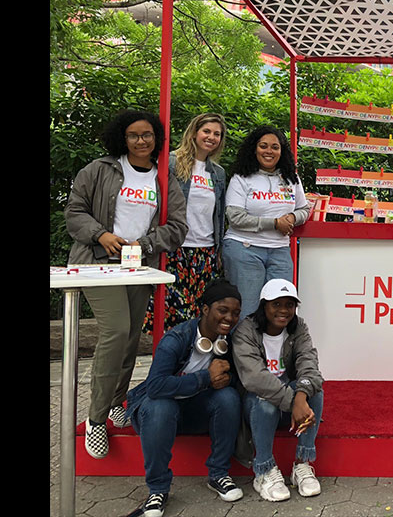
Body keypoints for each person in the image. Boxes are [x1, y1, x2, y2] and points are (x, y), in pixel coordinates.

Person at [65, 109, 188, 460]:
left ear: (157, 139)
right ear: (123, 137)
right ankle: (96, 418)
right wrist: (101, 234)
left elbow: (177, 226)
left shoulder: (164, 177)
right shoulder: (100, 169)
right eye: (134, 135)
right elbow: (74, 212)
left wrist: (147, 243)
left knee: (132, 337)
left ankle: (118, 399)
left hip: (139, 267)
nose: (140, 141)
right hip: (97, 264)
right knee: (116, 332)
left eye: (147, 135)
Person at [123, 280, 244, 517]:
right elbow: (155, 387)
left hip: (193, 411)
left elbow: (238, 380)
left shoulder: (229, 341)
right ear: (205, 309)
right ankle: (158, 490)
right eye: (223, 310)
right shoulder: (176, 339)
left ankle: (218, 474)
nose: (229, 317)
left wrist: (227, 380)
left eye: (235, 313)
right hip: (156, 415)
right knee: (161, 407)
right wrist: (205, 378)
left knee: (228, 397)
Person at [232, 279, 324, 502]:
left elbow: (309, 363)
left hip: (289, 406)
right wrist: (296, 402)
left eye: (289, 305)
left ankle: (302, 465)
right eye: (277, 304)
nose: (284, 310)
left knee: (315, 392)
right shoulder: (246, 331)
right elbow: (255, 378)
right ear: (264, 305)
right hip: (255, 404)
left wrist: (301, 396)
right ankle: (263, 470)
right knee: (265, 402)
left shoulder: (298, 326)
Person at [144, 113, 228, 334]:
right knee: (172, 313)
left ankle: (191, 364)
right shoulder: (171, 162)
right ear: (194, 132)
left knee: (200, 314)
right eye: (206, 131)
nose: (211, 137)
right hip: (175, 249)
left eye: (217, 134)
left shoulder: (218, 173)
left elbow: (218, 215)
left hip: (205, 251)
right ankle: (168, 364)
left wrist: (217, 251)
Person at [222, 125, 311, 318]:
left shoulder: (291, 178)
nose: (269, 151)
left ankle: (271, 349)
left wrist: (293, 217)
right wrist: (275, 223)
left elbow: (304, 209)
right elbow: (235, 217)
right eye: (263, 146)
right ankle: (244, 349)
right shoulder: (241, 178)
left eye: (275, 147)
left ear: (282, 151)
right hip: (244, 249)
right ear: (254, 149)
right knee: (248, 311)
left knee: (281, 311)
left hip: (280, 251)